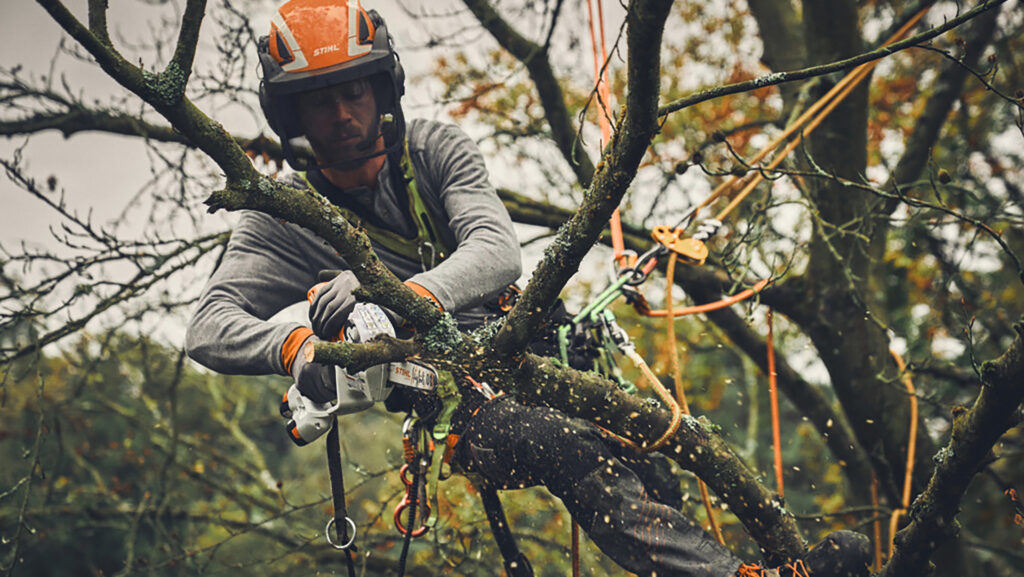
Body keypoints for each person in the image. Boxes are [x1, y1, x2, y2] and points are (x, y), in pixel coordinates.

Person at [185, 1, 871, 576]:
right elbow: (209, 326)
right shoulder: (283, 217)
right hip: (460, 402)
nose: (340, 114)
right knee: (559, 443)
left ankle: (772, 566)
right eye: (319, 99)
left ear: (381, 88)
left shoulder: (434, 151)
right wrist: (296, 345)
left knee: (653, 452)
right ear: (291, 114)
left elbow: (497, 251)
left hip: (537, 347)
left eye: (352, 91)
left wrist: (390, 297)